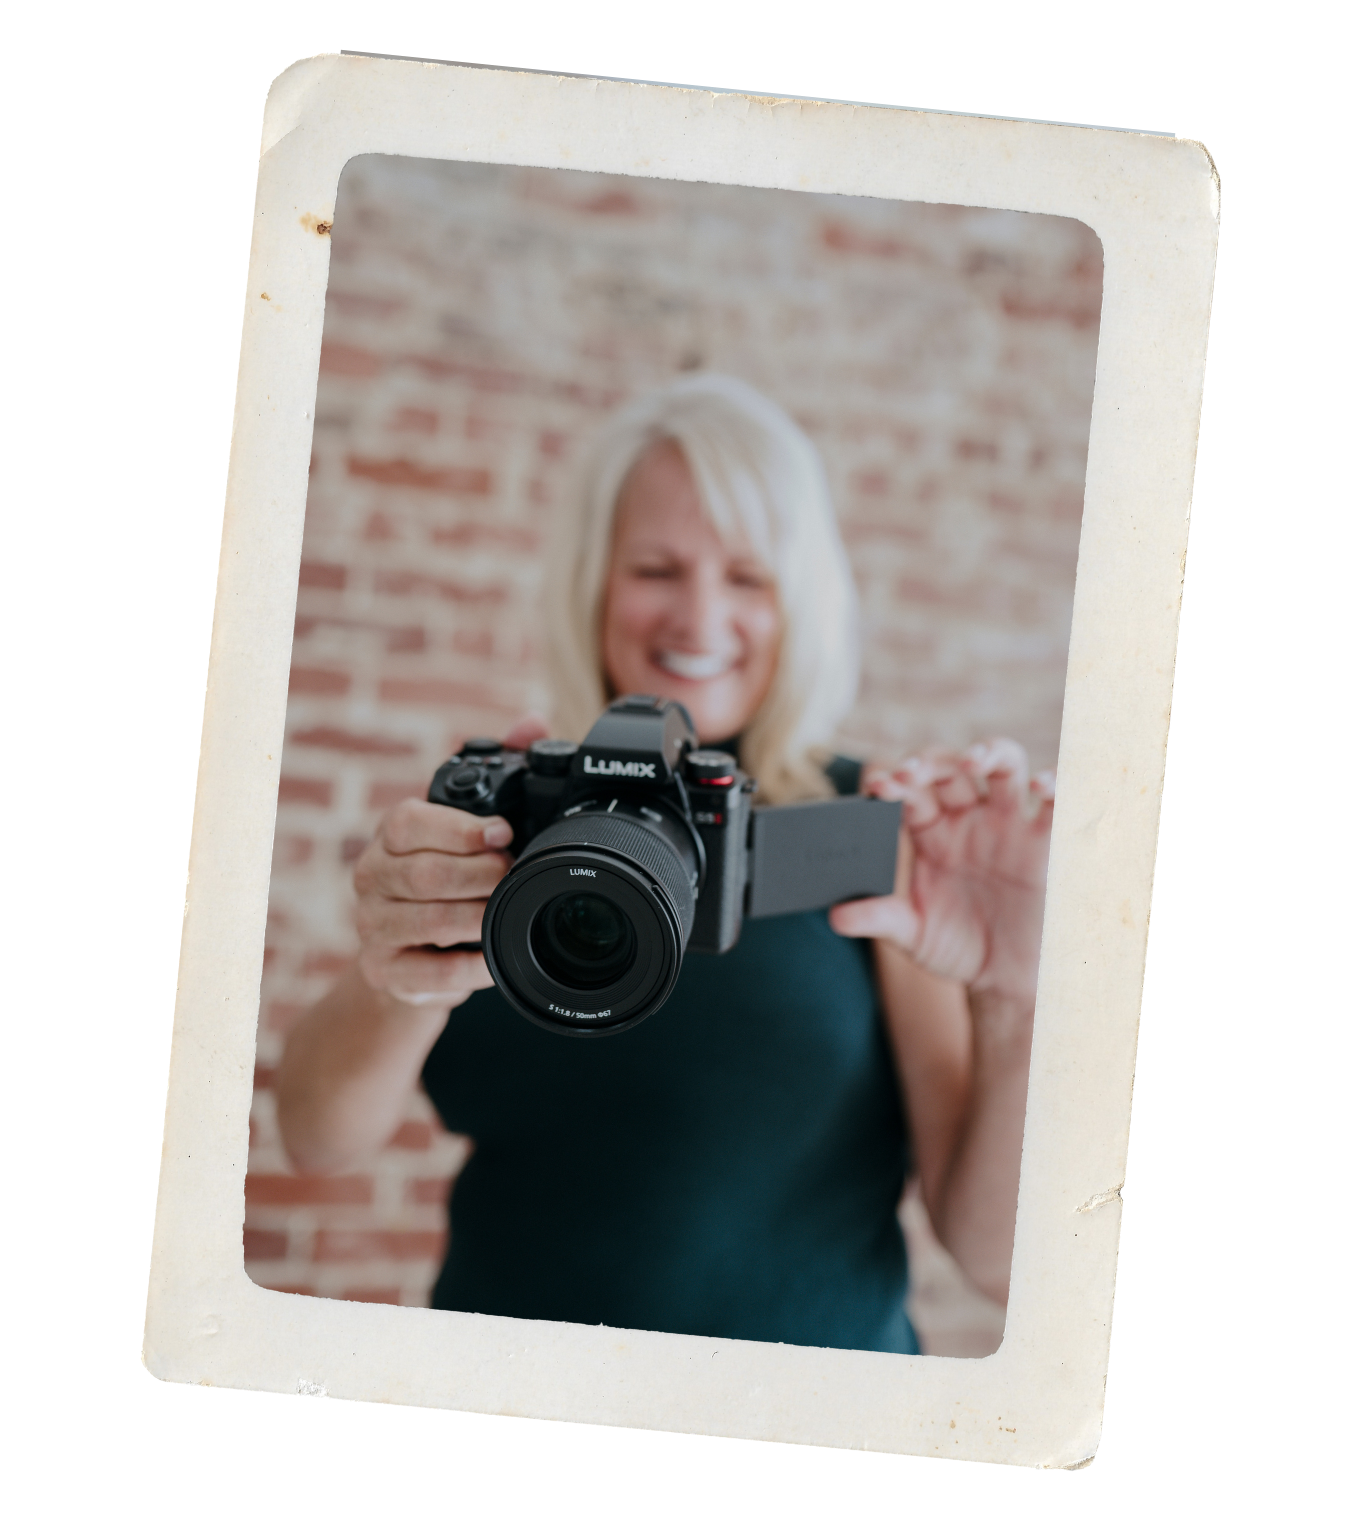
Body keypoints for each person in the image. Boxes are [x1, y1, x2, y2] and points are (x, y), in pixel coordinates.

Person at [277, 373, 1054, 1354]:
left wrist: (1016, 996)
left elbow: (995, 1259)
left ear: (798, 601)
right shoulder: (498, 822)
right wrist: (398, 968)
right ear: (593, 581)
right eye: (655, 567)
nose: (697, 617)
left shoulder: (864, 832)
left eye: (746, 576)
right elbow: (315, 1136)